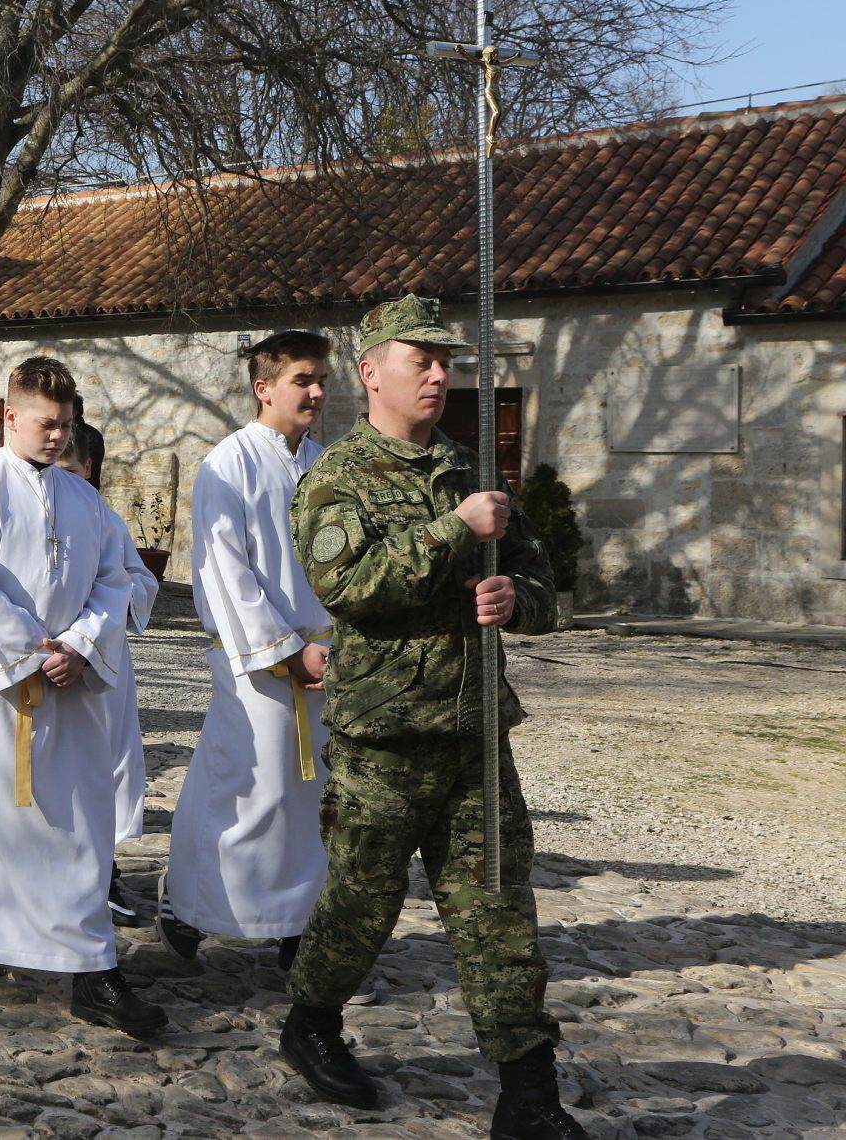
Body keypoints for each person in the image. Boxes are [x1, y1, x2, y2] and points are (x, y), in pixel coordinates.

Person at [280, 296, 581, 1139]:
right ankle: (310, 1018)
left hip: (475, 735)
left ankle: (528, 1092)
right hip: (385, 739)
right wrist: (454, 533)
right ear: (373, 370)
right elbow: (352, 589)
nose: (442, 374)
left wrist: (515, 596)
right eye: (424, 360)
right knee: (360, 903)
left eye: (447, 360)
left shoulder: (471, 469)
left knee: (499, 914)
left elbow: (548, 586)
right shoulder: (337, 478)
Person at [0, 356, 164, 1037]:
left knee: (74, 825)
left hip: (70, 689)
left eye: (67, 424)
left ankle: (91, 967)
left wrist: (81, 642)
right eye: (47, 423)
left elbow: (123, 581)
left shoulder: (86, 501)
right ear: (12, 415)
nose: (58, 436)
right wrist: (31, 650)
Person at [157, 331, 337, 969]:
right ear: (264, 387)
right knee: (244, 787)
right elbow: (224, 569)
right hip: (257, 660)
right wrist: (285, 650)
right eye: (302, 380)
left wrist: (331, 646)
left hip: (323, 659)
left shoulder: (327, 463)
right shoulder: (227, 464)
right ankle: (189, 907)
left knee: (311, 796)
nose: (316, 392)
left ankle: (299, 925)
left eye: (321, 379)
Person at [55, 435, 156, 929]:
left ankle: (104, 872)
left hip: (99, 663)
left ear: (89, 469)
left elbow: (140, 583)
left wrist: (94, 616)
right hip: (46, 662)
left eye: (71, 471)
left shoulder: (105, 518)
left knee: (105, 764)